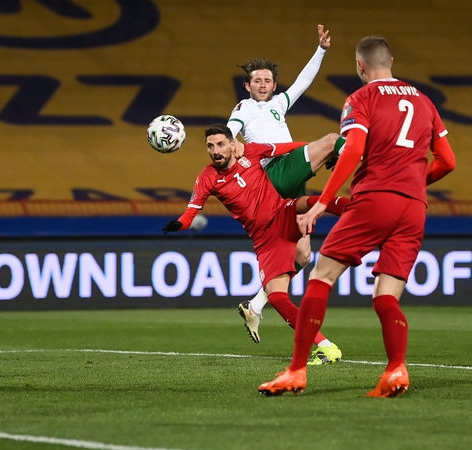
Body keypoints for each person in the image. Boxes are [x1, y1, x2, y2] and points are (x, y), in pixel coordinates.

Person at [258, 36, 456, 397]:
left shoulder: (361, 98)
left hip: (374, 199)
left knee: (321, 276)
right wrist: (412, 183)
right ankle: (396, 369)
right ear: (391, 61)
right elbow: (448, 161)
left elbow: (352, 150)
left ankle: (297, 371)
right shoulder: (425, 101)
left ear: (360, 66)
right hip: (413, 207)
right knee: (386, 296)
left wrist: (322, 202)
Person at [163, 124, 349, 363]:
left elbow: (287, 148)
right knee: (278, 296)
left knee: (312, 202)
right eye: (210, 146)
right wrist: (179, 224)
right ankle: (326, 346)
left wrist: (327, 152)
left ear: (232, 144)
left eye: (220, 144)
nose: (215, 150)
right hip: (266, 238)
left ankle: (360, 208)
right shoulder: (207, 177)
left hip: (283, 211)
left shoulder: (251, 152)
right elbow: (191, 211)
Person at [227, 24, 344, 364]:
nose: (262, 85)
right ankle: (364, 154)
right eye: (256, 81)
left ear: (274, 85)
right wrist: (232, 141)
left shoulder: (280, 102)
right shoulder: (244, 109)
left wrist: (321, 50)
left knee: (304, 256)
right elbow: (231, 130)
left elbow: (304, 82)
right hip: (276, 173)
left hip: (292, 184)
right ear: (247, 86)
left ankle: (255, 305)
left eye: (267, 81)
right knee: (328, 140)